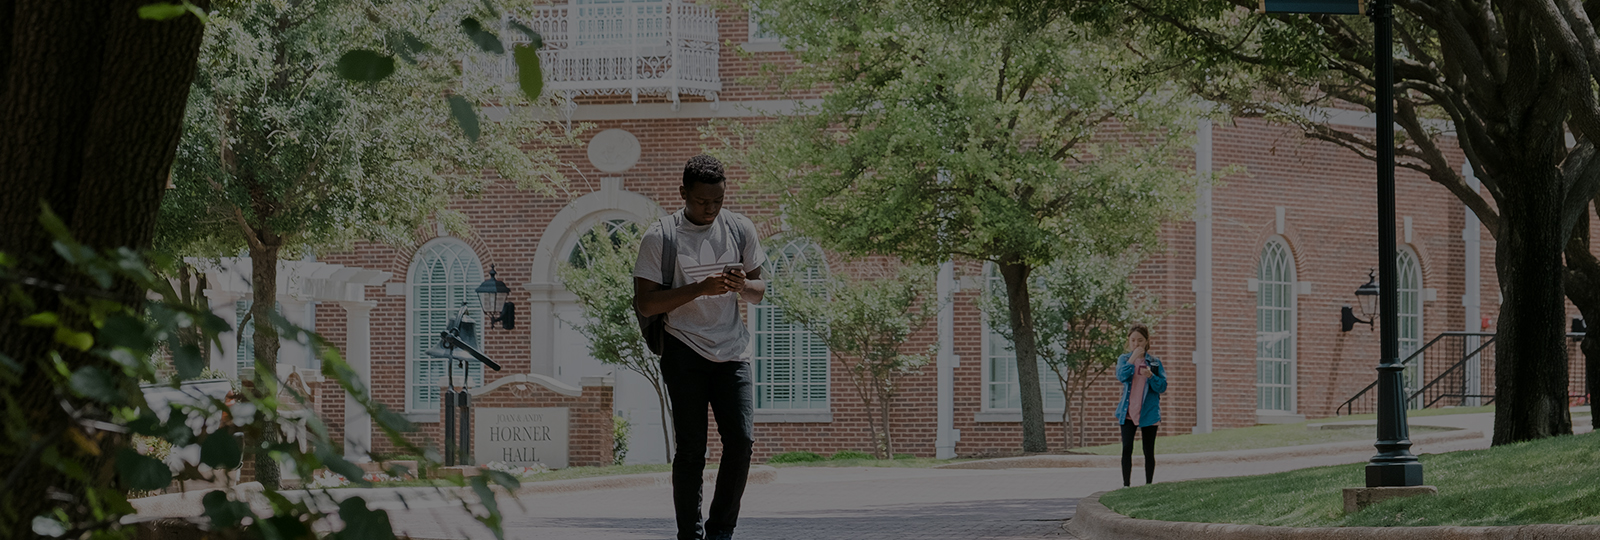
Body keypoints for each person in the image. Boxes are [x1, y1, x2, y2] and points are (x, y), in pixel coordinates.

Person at [633, 155, 766, 540]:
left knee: (740, 442)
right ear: (683, 194)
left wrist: (743, 285)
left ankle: (721, 531)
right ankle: (689, 534)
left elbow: (759, 291)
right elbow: (646, 303)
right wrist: (700, 288)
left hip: (732, 352)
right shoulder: (661, 237)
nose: (710, 209)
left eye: (718, 201)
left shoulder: (740, 229)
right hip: (684, 349)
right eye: (702, 201)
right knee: (692, 450)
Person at [1114, 323, 1167, 487]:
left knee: (1148, 450)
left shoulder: (1155, 362)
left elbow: (1162, 387)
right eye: (1133, 340)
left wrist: (1151, 375)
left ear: (1146, 341)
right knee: (1127, 448)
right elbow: (1121, 376)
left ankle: (1149, 484)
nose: (1136, 344)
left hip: (1149, 412)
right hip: (1128, 412)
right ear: (1129, 342)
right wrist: (1132, 360)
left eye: (1140, 341)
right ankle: (1126, 485)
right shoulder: (1124, 359)